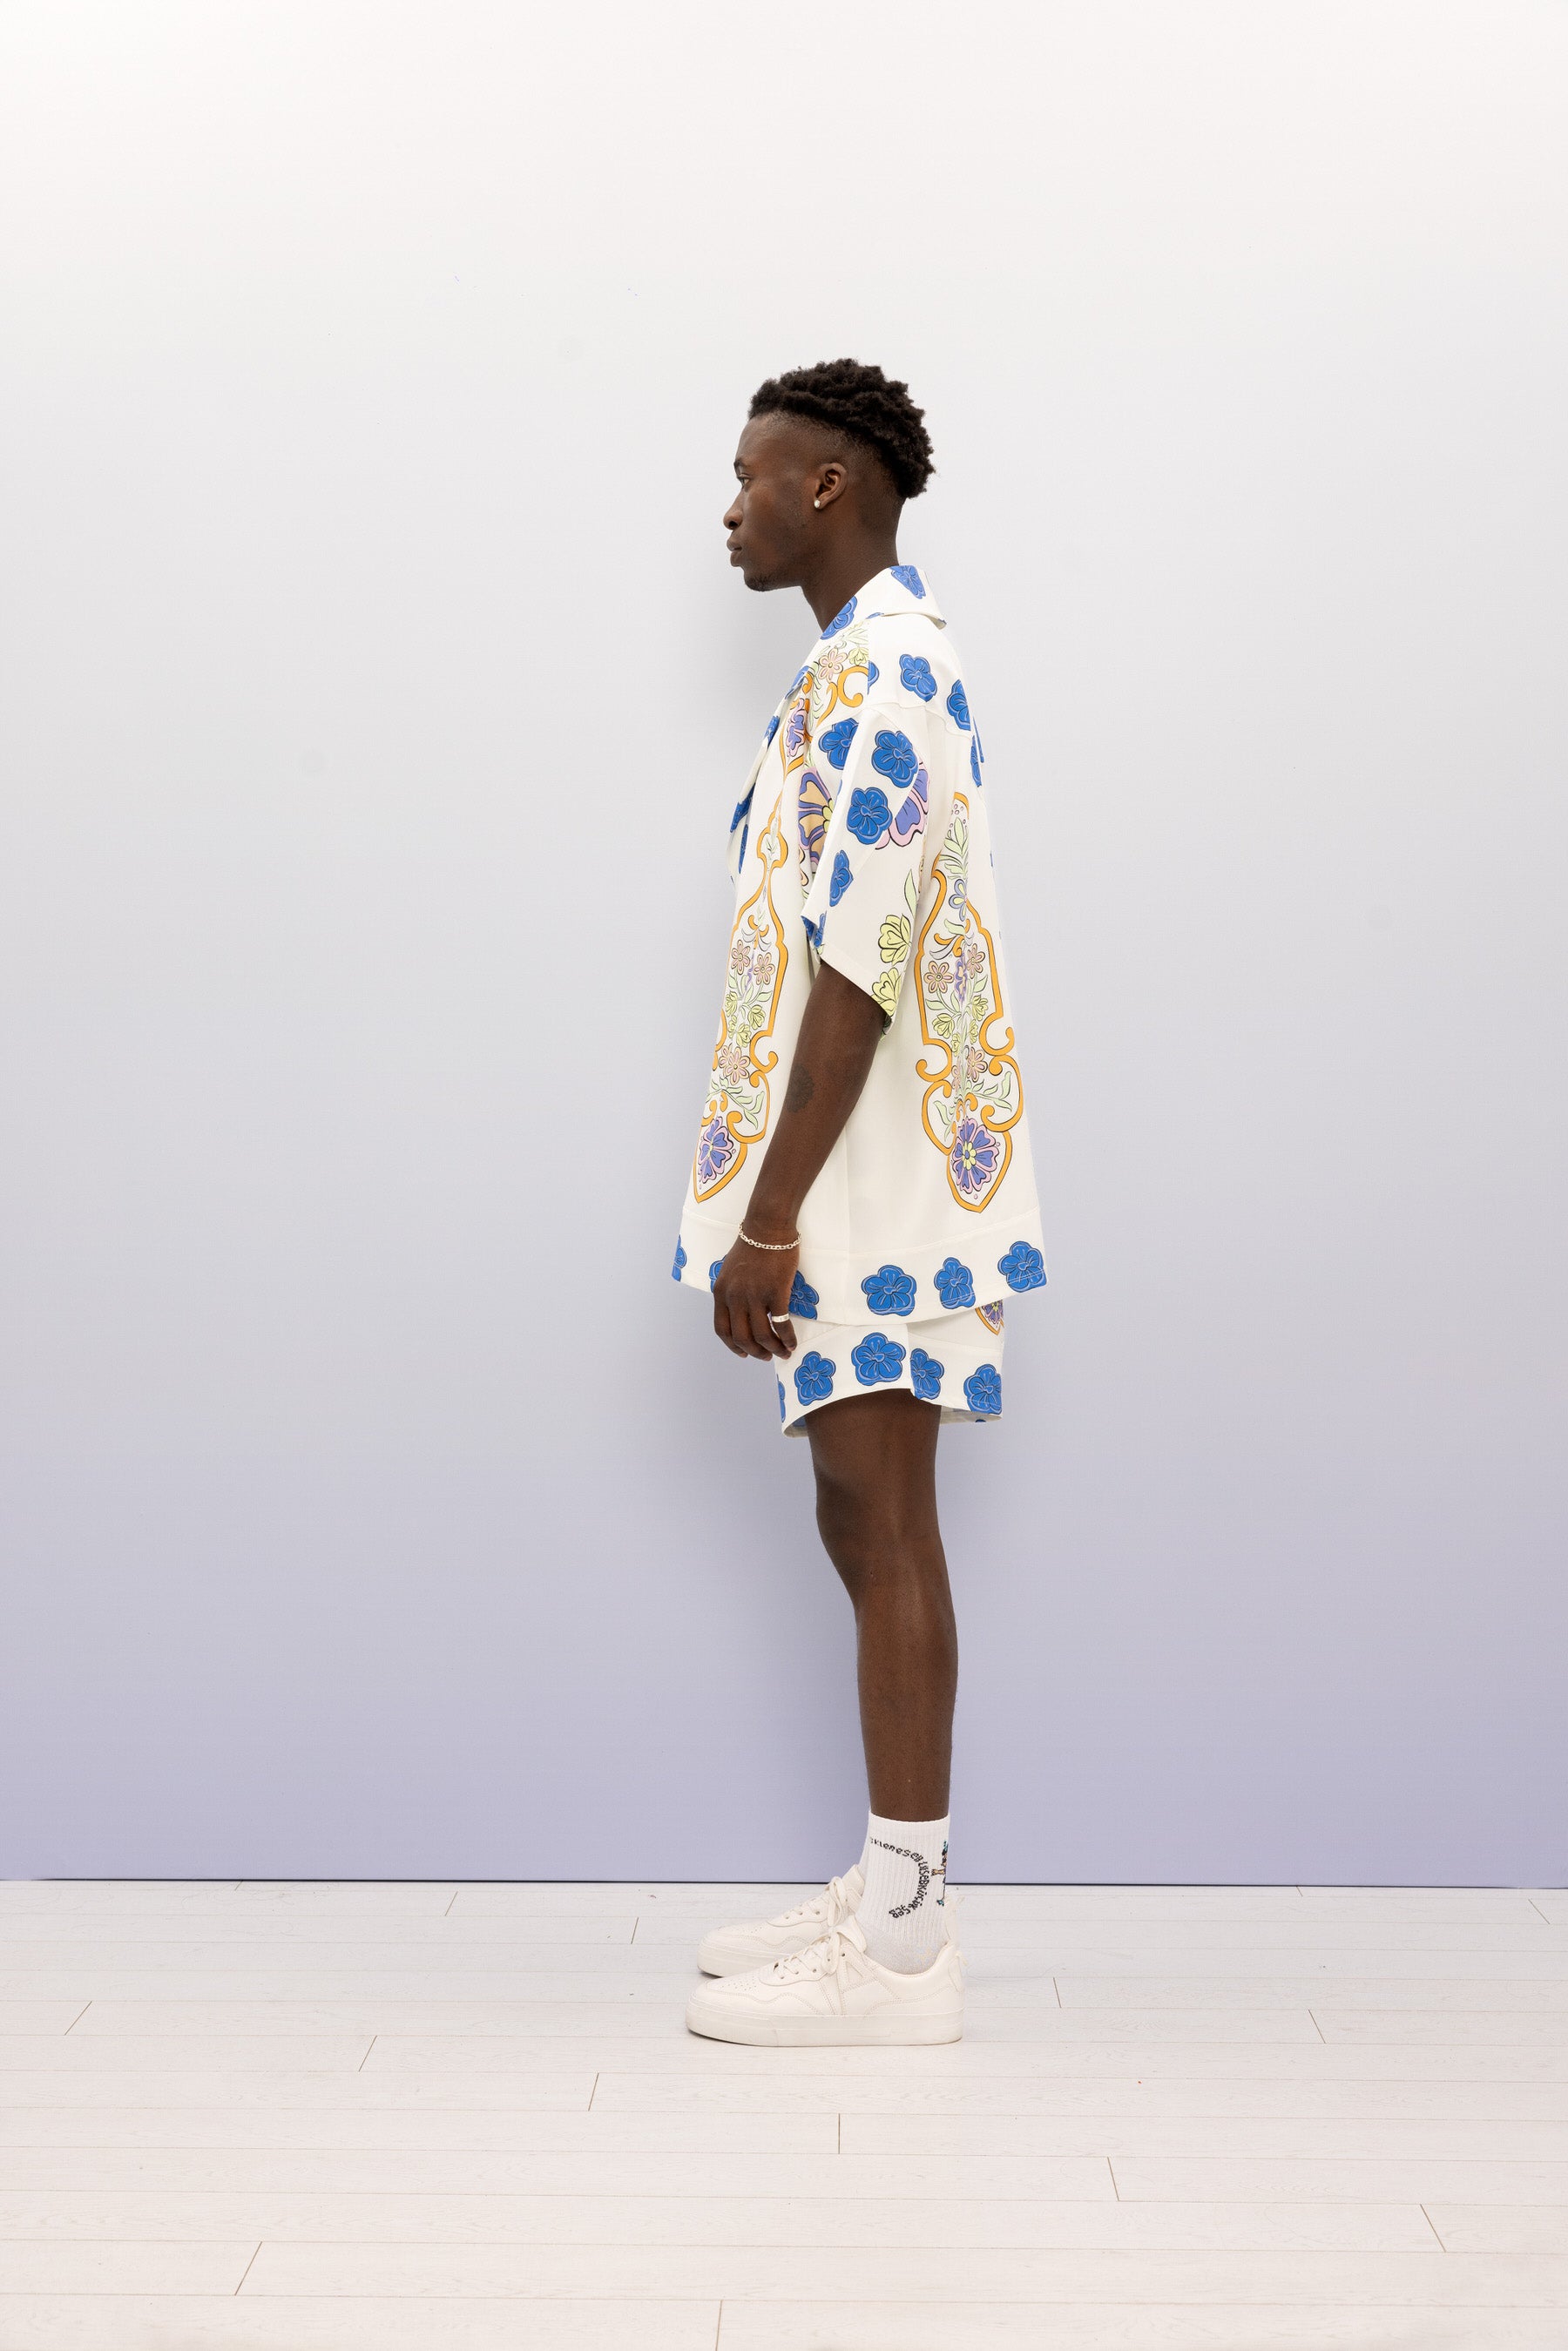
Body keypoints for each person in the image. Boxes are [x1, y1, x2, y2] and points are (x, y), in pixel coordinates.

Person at [672, 359, 1044, 2046]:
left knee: (886, 1519)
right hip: (849, 1177)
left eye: (750, 476)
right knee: (854, 1511)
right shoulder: (846, 670)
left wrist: (771, 1220)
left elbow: (865, 963)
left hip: (876, 1187)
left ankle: (903, 1961)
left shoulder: (892, 671)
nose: (729, 507)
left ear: (826, 485)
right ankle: (893, 1890)